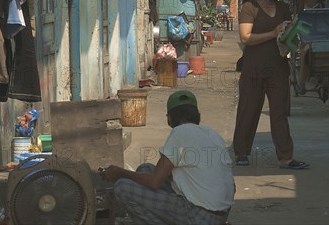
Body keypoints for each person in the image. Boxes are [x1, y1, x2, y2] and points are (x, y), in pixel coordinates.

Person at [100, 90, 235, 224]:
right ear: (197, 115)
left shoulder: (180, 132)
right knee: (145, 168)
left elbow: (155, 181)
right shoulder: (213, 134)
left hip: (200, 216)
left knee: (123, 187)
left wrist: (120, 173)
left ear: (170, 118)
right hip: (220, 215)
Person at [233, 0, 309, 170]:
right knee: (249, 110)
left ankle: (286, 157)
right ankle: (241, 152)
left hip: (278, 68)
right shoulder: (249, 8)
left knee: (279, 113)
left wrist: (292, 33)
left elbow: (286, 36)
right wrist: (273, 33)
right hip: (253, 68)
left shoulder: (283, 8)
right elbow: (245, 37)